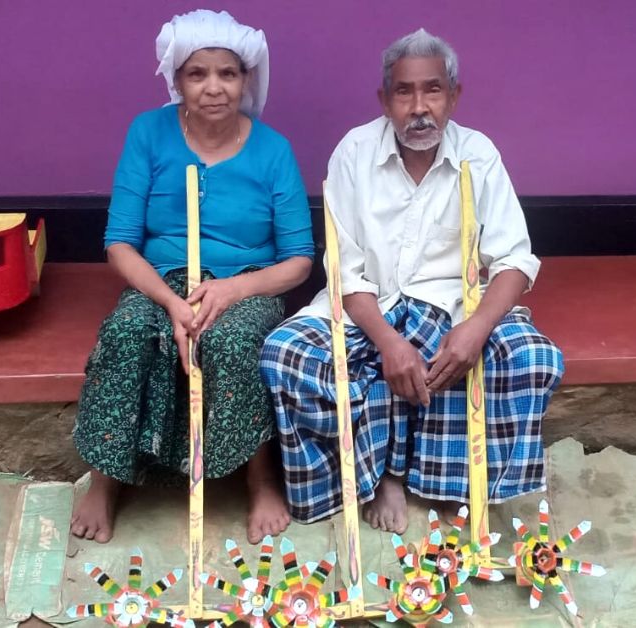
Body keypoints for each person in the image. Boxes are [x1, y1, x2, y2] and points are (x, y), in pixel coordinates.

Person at [260, 29, 563, 534]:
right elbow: (345, 269)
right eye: (404, 92)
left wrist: (476, 329)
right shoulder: (354, 153)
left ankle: (450, 482)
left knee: (532, 359)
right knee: (284, 354)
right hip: (368, 305)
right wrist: (387, 341)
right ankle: (381, 477)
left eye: (433, 90)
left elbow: (514, 259)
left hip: (454, 305)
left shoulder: (478, 154)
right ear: (384, 99)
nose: (419, 107)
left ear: (454, 96)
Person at [72, 9, 313, 545]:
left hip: (245, 283)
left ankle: (260, 479)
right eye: (197, 74)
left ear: (245, 80)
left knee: (233, 341)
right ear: (176, 80)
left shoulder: (273, 150)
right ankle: (106, 479)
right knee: (128, 331)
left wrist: (230, 290)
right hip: (162, 281)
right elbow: (119, 243)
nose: (213, 88)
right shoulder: (148, 133)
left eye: (227, 74)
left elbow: (299, 259)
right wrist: (174, 304)